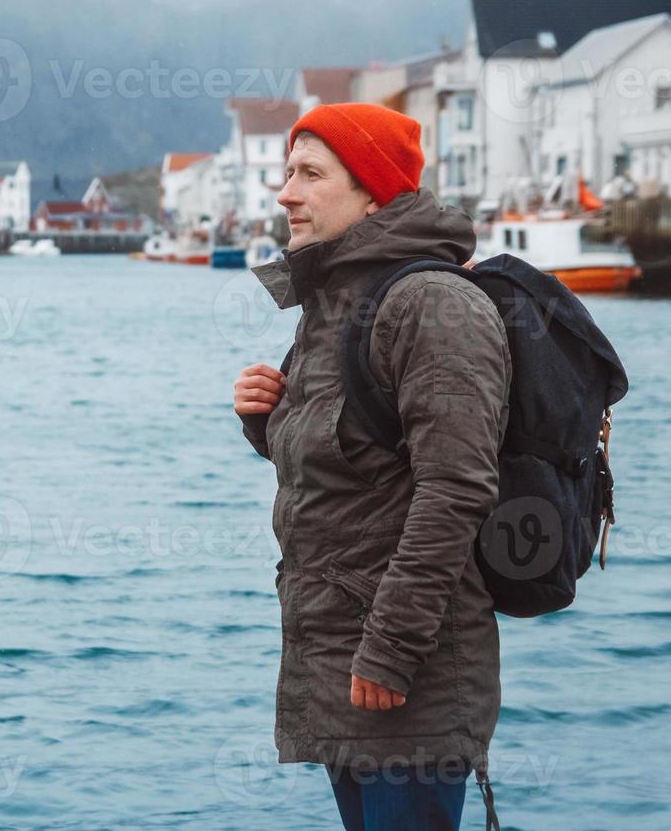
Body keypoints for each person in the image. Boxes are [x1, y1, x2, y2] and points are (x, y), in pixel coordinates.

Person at [232, 103, 510, 831]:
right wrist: (266, 423)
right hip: (337, 658)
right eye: (287, 172)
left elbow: (457, 489)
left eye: (310, 174)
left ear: (374, 192)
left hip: (406, 671)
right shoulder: (334, 304)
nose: (286, 192)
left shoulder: (433, 305)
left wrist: (388, 651)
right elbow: (354, 467)